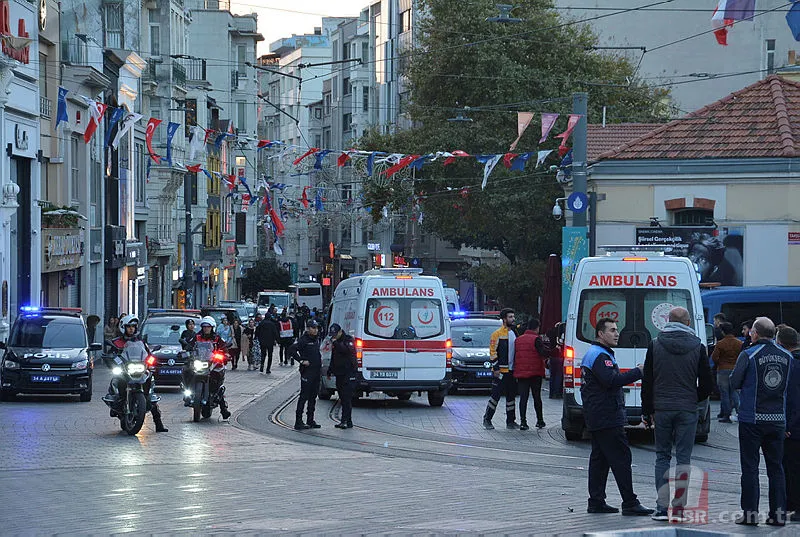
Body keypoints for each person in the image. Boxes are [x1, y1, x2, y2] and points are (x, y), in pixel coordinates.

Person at [641, 307, 713, 522]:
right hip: (687, 409)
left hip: (662, 408)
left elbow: (648, 380)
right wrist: (693, 398)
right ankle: (679, 510)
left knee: (662, 456)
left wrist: (647, 410)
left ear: (667, 321)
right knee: (683, 459)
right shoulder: (698, 346)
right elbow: (707, 384)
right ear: (688, 322)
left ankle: (662, 509)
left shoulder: (655, 344)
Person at [582, 317, 652, 516]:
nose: (617, 333)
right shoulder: (600, 355)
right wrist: (638, 372)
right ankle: (630, 502)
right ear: (600, 334)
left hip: (598, 414)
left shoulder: (596, 353)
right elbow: (611, 380)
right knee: (621, 458)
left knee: (600, 459)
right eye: (612, 330)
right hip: (607, 415)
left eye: (616, 330)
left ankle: (596, 502)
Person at [730, 317, 792, 526]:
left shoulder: (749, 354)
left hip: (752, 419)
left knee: (750, 467)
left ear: (754, 333)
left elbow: (734, 382)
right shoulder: (787, 356)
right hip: (778, 419)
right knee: (776, 468)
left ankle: (750, 514)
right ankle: (778, 514)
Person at [106, 315, 168, 432]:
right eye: (129, 326)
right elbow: (111, 354)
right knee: (117, 379)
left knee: (150, 395)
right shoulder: (117, 342)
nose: (131, 329)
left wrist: (152, 361)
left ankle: (159, 424)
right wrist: (113, 359)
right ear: (123, 327)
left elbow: (148, 354)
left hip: (140, 370)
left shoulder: (141, 342)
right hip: (125, 370)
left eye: (133, 326)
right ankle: (117, 402)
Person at [482, 308, 519, 430]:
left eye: (513, 316)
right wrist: (496, 368)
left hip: (512, 371)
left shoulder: (515, 333)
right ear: (504, 319)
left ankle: (511, 421)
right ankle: (487, 419)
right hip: (501, 371)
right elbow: (492, 352)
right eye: (510, 317)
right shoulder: (497, 334)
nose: (513, 319)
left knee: (511, 397)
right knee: (495, 396)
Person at [189, 316, 232, 420]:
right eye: (204, 326)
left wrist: (225, 354)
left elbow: (224, 347)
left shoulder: (217, 338)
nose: (206, 328)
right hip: (200, 362)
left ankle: (223, 409)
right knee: (187, 371)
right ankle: (188, 393)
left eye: (208, 327)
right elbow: (190, 345)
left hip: (213, 363)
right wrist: (186, 351)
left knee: (217, 383)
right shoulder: (197, 337)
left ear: (212, 327)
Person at [778, 326, 800, 522]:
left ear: (780, 343)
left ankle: (793, 506)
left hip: (794, 427)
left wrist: (787, 424)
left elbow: (791, 398)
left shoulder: (790, 364)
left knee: (792, 467)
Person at [513, 318, 549, 430]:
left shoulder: (518, 340)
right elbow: (543, 352)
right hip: (535, 373)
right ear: (537, 327)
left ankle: (523, 422)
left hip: (521, 373)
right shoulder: (536, 339)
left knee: (523, 398)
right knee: (536, 397)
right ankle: (540, 420)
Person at [290, 319, 322, 430]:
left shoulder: (316, 339)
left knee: (313, 397)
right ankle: (298, 421)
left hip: (316, 371)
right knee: (304, 396)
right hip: (307, 372)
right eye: (313, 328)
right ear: (308, 329)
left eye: (316, 328)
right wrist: (301, 360)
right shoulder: (303, 340)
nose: (316, 330)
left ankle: (310, 419)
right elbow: (292, 350)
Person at [326, 323, 358, 429]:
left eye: (335, 334)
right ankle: (348, 421)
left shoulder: (348, 340)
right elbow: (334, 357)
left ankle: (345, 420)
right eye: (332, 335)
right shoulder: (336, 342)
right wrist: (330, 370)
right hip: (339, 374)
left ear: (340, 332)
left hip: (349, 373)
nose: (333, 337)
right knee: (342, 397)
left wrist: (336, 343)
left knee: (346, 397)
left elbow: (347, 351)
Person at [712, 321, 742, 422]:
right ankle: (740, 412)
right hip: (734, 369)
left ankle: (726, 415)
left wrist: (720, 363)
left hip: (722, 370)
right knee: (734, 392)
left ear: (723, 332)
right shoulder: (739, 343)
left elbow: (714, 357)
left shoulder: (720, 343)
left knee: (724, 393)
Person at [548, 322, 565, 399]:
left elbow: (548, 333)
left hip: (552, 356)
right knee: (559, 375)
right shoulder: (563, 334)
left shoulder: (551, 333)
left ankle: (551, 393)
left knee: (552, 375)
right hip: (560, 356)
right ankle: (557, 393)